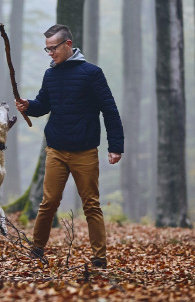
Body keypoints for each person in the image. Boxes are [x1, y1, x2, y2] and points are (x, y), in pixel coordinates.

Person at [15, 24, 124, 269]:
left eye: (53, 48)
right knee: (48, 202)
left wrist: (115, 146)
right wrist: (28, 105)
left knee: (91, 205)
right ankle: (37, 250)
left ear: (67, 45)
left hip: (84, 150)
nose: (50, 53)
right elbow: (43, 104)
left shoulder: (92, 73)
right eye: (47, 49)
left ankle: (99, 258)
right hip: (56, 148)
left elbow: (110, 110)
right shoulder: (50, 74)